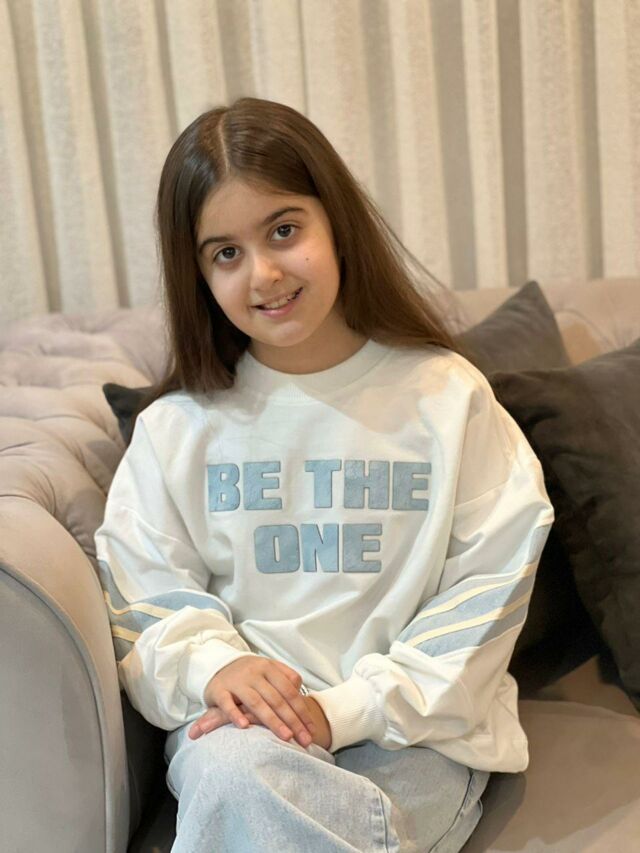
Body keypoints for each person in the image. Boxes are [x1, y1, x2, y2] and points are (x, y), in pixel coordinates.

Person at [94, 96, 555, 853]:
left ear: (335, 221)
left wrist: (343, 711)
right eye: (226, 253)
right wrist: (216, 666)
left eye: (284, 230)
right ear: (196, 273)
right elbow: (143, 595)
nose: (265, 273)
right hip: (244, 737)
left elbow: (489, 584)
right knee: (237, 780)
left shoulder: (446, 396)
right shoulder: (178, 429)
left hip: (411, 736)